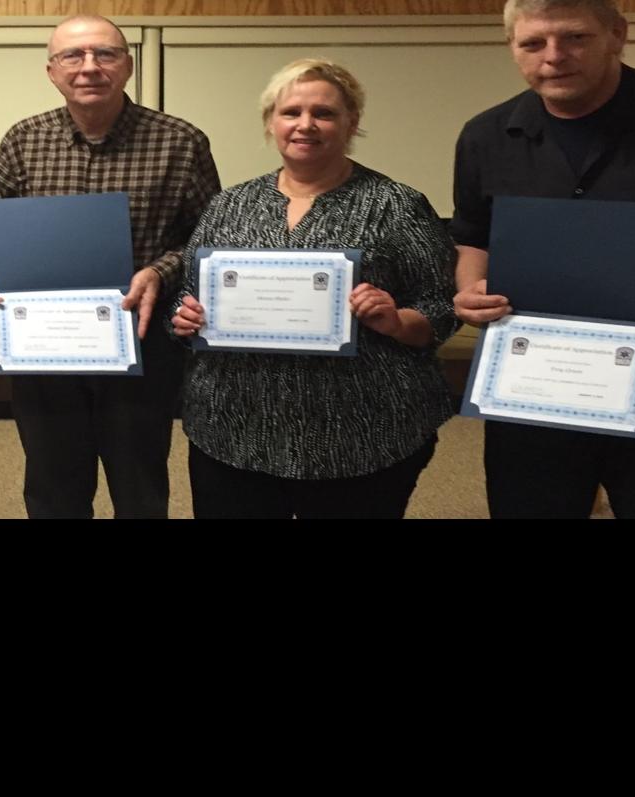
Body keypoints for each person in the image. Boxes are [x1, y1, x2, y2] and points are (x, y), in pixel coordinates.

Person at [0, 15, 220, 519]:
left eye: (105, 54)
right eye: (72, 56)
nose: (89, 67)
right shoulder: (23, 139)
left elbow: (208, 240)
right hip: (42, 346)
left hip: (140, 341)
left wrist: (160, 271)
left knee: (140, 486)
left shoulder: (181, 141)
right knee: (53, 487)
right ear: (52, 71)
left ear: (129, 66)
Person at [168, 59, 459, 519]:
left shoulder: (397, 205)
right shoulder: (228, 205)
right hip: (234, 432)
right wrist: (184, 319)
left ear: (351, 123)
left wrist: (398, 320)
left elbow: (442, 308)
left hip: (363, 436)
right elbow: (185, 301)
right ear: (271, 123)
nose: (306, 125)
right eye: (291, 113)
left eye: (324, 113)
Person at [450, 0, 635, 518]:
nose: (554, 56)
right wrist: (469, 290)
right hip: (534, 382)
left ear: (617, 35)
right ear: (513, 48)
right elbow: (473, 236)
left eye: (575, 38)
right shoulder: (485, 135)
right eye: (533, 43)